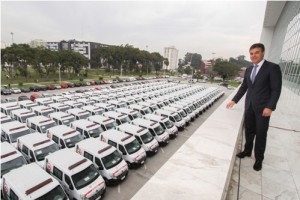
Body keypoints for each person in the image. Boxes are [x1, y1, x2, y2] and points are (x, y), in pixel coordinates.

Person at [226, 43, 282, 171]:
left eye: (256, 52)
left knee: (261, 134)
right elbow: (244, 86)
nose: (253, 55)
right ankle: (247, 151)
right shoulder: (249, 69)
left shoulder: (272, 68)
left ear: (263, 53)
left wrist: (270, 107)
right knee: (249, 131)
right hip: (249, 106)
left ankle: (259, 159)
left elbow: (275, 90)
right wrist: (234, 100)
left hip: (263, 108)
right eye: (251, 53)